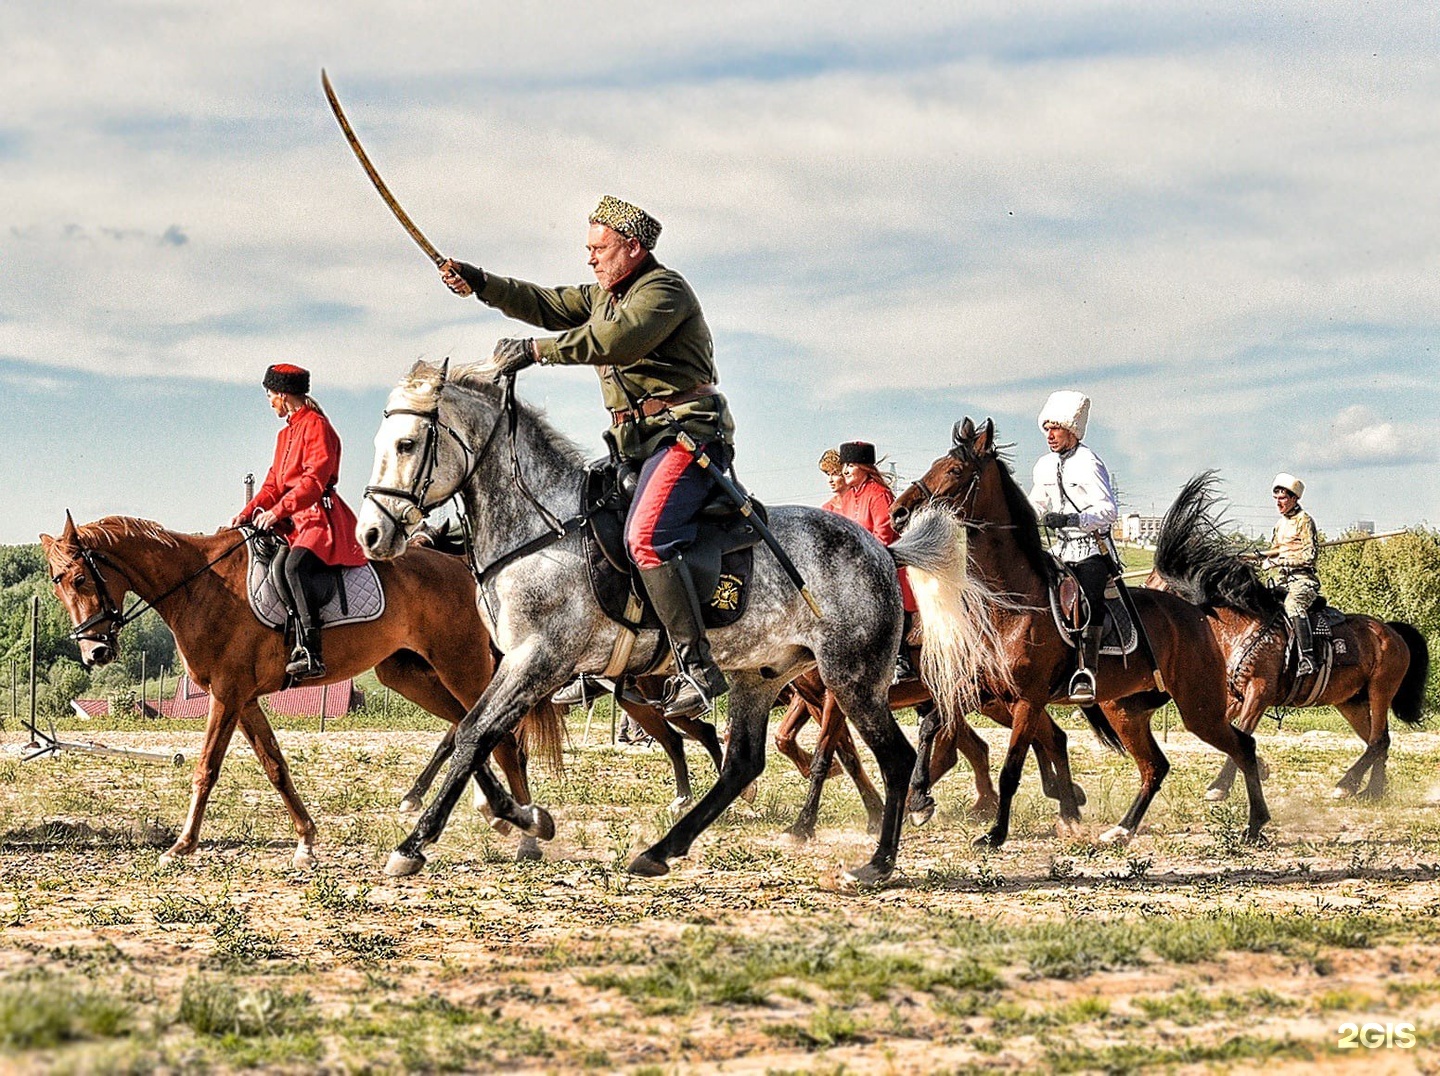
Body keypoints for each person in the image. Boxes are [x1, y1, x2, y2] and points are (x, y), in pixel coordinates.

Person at [439, 195, 734, 718]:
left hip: (685, 437)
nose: (591, 259)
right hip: (634, 446)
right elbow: (544, 303)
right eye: (589, 249)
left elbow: (615, 342)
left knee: (646, 538)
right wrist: (478, 281)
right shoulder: (603, 294)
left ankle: (698, 667)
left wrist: (535, 352)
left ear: (633, 248)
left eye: (599, 249)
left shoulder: (664, 291)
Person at [230, 364, 367, 680]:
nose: (269, 403)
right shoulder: (284, 435)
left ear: (281, 394)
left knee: (293, 568)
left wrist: (277, 512)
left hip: (319, 518)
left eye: (269, 396)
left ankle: (311, 651)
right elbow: (271, 485)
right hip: (291, 521)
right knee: (274, 566)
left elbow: (313, 482)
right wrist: (248, 512)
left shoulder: (317, 426)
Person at [1028, 390, 1118, 704]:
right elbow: (1036, 503)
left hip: (1092, 549)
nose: (1049, 435)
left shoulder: (1089, 462)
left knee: (1087, 600)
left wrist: (1071, 519)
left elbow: (1108, 511)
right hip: (1060, 552)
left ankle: (1087, 672)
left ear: (1073, 431)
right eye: (1046, 429)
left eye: (1056, 429)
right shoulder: (1043, 466)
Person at [829, 441, 917, 683]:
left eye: (850, 465)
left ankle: (902, 661)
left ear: (864, 468)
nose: (845, 470)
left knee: (886, 608)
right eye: (844, 465)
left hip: (885, 565)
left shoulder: (879, 494)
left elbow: (884, 536)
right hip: (856, 567)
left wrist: (857, 559)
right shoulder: (848, 498)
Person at [1261, 473, 1320, 676]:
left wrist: (1281, 561)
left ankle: (1308, 658)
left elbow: (1309, 555)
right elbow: (1274, 551)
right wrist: (1256, 558)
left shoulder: (1304, 520)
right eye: (1276, 498)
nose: (1278, 502)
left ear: (1294, 498)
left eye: (1283, 498)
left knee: (1292, 605)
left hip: (1303, 580)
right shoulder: (1280, 525)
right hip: (1282, 579)